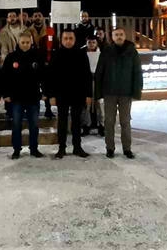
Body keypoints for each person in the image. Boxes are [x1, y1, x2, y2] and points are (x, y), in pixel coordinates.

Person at [95, 27, 143, 159]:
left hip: (125, 92)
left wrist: (136, 91)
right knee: (109, 122)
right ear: (112, 37)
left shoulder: (132, 52)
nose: (119, 37)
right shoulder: (106, 51)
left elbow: (137, 72)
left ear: (125, 35)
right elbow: (99, 73)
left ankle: (127, 149)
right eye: (116, 35)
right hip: (109, 92)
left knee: (125, 122)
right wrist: (98, 93)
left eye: (121, 34)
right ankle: (109, 148)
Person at [46, 30, 92, 159]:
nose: (68, 41)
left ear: (75, 39)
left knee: (77, 122)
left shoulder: (81, 54)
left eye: (70, 38)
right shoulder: (56, 54)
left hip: (78, 93)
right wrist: (51, 95)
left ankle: (77, 147)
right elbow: (50, 77)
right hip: (61, 94)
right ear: (61, 40)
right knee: (62, 122)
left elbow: (87, 76)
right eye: (65, 38)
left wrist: (88, 95)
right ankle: (62, 148)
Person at [1, 32, 45, 159]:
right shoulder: (11, 57)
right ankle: (16, 149)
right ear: (18, 43)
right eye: (23, 42)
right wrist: (6, 94)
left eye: (27, 42)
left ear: (31, 42)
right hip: (16, 98)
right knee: (16, 124)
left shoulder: (37, 56)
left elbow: (43, 75)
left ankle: (34, 148)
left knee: (34, 124)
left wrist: (45, 92)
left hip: (33, 97)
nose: (25, 45)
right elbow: (5, 77)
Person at [28, 11, 56, 119]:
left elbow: (55, 44)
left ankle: (48, 109)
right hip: (33, 62)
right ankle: (34, 109)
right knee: (34, 86)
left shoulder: (50, 30)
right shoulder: (28, 31)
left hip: (46, 63)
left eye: (40, 15)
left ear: (43, 17)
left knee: (47, 86)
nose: (38, 18)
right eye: (35, 16)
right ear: (32, 18)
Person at [80, 36, 105, 137]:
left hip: (99, 82)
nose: (91, 44)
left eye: (93, 42)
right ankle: (86, 125)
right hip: (86, 82)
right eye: (89, 42)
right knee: (87, 105)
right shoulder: (82, 54)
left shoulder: (101, 54)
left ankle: (102, 126)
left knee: (100, 104)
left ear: (97, 43)